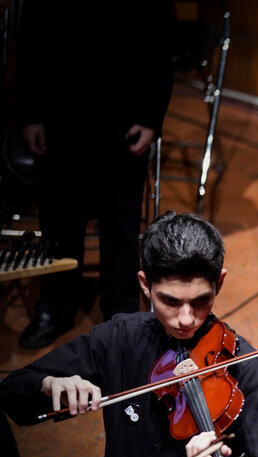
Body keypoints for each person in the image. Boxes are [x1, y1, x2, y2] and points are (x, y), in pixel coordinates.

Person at [0, 211, 258, 457]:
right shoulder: (119, 337)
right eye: (170, 301)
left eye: (200, 300)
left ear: (219, 283)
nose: (186, 319)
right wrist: (48, 384)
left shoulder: (246, 367)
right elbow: (12, 390)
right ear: (145, 285)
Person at [13, 1, 175, 348]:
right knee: (58, 218)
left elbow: (158, 35)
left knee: (120, 221)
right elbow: (31, 36)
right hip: (60, 109)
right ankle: (56, 307)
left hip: (123, 110)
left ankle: (121, 315)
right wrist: (30, 114)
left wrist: (150, 115)